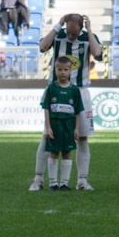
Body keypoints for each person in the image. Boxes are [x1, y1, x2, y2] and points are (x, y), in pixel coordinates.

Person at [30, 14, 102, 191]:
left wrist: (90, 29)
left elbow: (98, 53)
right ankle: (38, 179)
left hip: (80, 90)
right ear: (65, 27)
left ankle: (82, 181)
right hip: (55, 89)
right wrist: (57, 25)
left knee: (82, 138)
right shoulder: (58, 34)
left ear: (81, 28)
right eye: (69, 32)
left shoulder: (87, 38)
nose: (71, 36)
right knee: (48, 135)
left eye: (75, 33)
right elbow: (42, 46)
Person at [40, 56, 84, 192]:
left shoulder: (75, 90)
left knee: (66, 153)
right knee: (54, 153)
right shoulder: (51, 88)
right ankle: (53, 183)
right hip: (55, 125)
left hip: (69, 126)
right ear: (55, 70)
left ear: (70, 70)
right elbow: (46, 108)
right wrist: (48, 127)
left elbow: (77, 111)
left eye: (65, 69)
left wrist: (76, 128)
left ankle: (64, 183)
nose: (62, 72)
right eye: (60, 69)